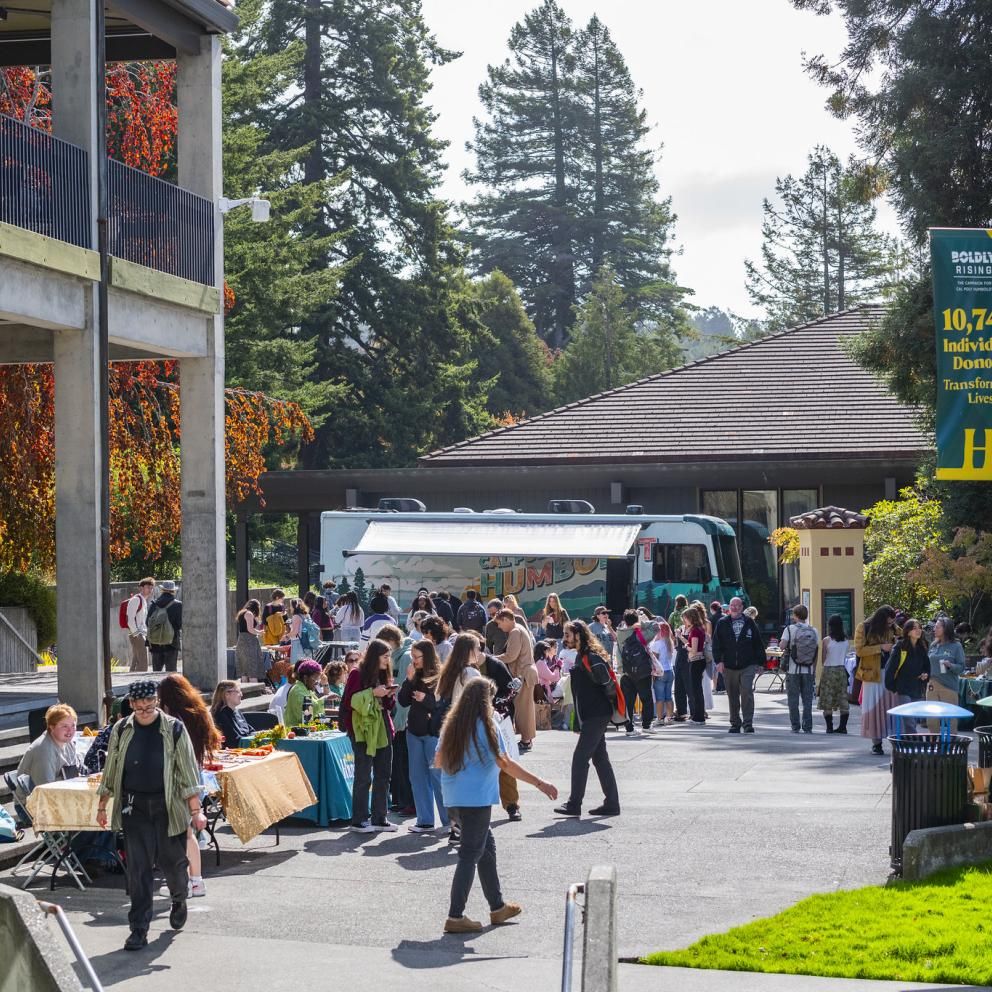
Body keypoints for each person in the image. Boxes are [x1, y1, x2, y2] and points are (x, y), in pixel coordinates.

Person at [437, 678, 557, 933]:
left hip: (453, 797)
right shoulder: (486, 724)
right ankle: (455, 916)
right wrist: (540, 783)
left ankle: (497, 906)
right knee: (470, 854)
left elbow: (438, 760)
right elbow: (505, 763)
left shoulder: (452, 723)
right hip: (476, 799)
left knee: (486, 848)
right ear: (485, 700)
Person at [96, 680, 204, 952]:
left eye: (149, 706)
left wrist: (196, 811)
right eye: (139, 707)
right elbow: (110, 771)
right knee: (138, 871)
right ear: (131, 704)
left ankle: (179, 898)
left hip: (168, 806)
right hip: (135, 808)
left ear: (157, 702)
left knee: (174, 865)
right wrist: (102, 806)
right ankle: (138, 929)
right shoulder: (121, 729)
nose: (144, 711)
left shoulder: (174, 729)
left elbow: (188, 773)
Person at [157, 674, 222, 899]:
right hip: (196, 775)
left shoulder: (170, 720)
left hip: (177, 780)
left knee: (179, 835)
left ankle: (185, 881)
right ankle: (195, 881)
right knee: (187, 833)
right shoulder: (199, 712)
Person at [554, 621, 620, 818]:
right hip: (593, 714)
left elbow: (608, 685)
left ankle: (574, 804)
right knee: (600, 759)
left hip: (597, 713)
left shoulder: (591, 657)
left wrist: (607, 709)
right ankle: (612, 803)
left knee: (580, 758)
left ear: (578, 635)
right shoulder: (583, 657)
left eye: (567, 634)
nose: (564, 639)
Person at [467, 632, 524, 822]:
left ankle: (512, 805)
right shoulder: (462, 668)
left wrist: (499, 708)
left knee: (504, 762)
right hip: (471, 720)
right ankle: (474, 807)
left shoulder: (494, 665)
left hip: (498, 719)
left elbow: (510, 689)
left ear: (478, 648)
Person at [340, 640, 396, 832]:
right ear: (374, 656)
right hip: (362, 731)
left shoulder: (383, 674)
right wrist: (373, 692)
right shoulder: (357, 673)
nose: (388, 660)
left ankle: (380, 818)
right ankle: (359, 819)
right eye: (385, 656)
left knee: (384, 774)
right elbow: (349, 702)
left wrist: (388, 695)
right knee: (363, 775)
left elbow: (390, 707)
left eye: (389, 657)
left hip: (382, 728)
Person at [399, 639, 447, 832]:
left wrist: (425, 699)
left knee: (438, 777)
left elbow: (443, 705)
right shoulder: (414, 675)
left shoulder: (440, 676)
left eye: (416, 656)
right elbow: (402, 701)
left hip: (432, 733)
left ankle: (449, 821)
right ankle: (425, 820)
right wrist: (408, 680)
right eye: (412, 656)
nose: (413, 660)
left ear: (426, 656)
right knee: (417, 777)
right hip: (414, 732)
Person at [377, 623, 416, 814]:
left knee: (405, 762)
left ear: (392, 641)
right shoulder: (397, 656)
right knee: (399, 762)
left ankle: (408, 802)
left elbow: (403, 694)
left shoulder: (406, 657)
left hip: (405, 719)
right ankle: (401, 800)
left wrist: (399, 721)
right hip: (399, 718)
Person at [712, 597, 765, 734]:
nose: (734, 608)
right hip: (728, 666)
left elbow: (758, 643)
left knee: (746, 693)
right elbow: (716, 644)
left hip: (747, 665)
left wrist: (760, 663)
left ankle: (748, 723)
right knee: (732, 696)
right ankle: (735, 723)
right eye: (732, 605)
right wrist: (718, 662)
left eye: (737, 605)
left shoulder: (749, 622)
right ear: (729, 607)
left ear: (742, 607)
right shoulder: (722, 622)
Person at [12, 703, 79, 806]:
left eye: (73, 725)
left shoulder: (68, 743)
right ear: (52, 727)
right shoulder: (44, 750)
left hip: (61, 796)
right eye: (64, 726)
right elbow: (46, 790)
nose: (70, 730)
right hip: (33, 805)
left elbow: (75, 775)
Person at [855, 605, 901, 755]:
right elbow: (859, 650)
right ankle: (876, 742)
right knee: (874, 708)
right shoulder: (864, 627)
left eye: (892, 622)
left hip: (891, 673)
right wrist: (880, 647)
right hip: (872, 674)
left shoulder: (893, 627)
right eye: (888, 622)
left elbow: (905, 637)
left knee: (892, 706)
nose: (890, 625)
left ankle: (895, 739)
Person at [495, 608, 538, 753]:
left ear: (506, 620)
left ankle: (526, 741)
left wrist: (492, 658)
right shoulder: (519, 629)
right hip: (526, 673)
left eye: (500, 623)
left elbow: (511, 656)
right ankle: (527, 739)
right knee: (525, 708)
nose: (499, 627)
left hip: (523, 674)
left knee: (523, 709)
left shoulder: (514, 632)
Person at [779, 604, 820, 734]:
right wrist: (813, 668)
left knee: (793, 699)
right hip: (808, 669)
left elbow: (782, 646)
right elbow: (816, 650)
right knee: (807, 700)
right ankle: (807, 726)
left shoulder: (790, 629)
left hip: (793, 669)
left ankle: (795, 726)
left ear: (795, 616)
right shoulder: (814, 630)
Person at [884, 619, 931, 724]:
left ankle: (908, 739)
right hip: (903, 688)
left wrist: (925, 675)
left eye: (919, 628)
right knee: (908, 720)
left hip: (917, 689)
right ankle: (912, 740)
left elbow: (927, 667)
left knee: (914, 719)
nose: (918, 630)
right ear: (908, 631)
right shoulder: (900, 647)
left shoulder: (922, 648)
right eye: (914, 628)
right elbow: (890, 668)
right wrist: (893, 687)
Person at [618, 610, 656, 734]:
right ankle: (646, 725)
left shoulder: (620, 633)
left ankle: (629, 728)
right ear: (637, 621)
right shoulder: (641, 634)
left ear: (625, 621)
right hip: (642, 672)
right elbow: (656, 626)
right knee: (646, 699)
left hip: (626, 672)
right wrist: (643, 624)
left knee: (628, 701)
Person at [927, 616, 966, 732]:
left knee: (950, 718)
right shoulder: (933, 645)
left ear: (946, 629)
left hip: (949, 687)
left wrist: (951, 666)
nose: (934, 629)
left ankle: (952, 745)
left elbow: (961, 667)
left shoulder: (956, 646)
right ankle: (935, 744)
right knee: (931, 719)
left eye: (937, 627)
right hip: (932, 685)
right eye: (935, 627)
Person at [818, 614, 851, 734]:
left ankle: (829, 727)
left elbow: (823, 660)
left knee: (827, 698)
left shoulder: (826, 640)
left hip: (828, 671)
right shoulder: (846, 641)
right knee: (843, 698)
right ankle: (843, 726)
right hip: (841, 671)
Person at [147, 580, 182, 673]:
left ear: (162, 590)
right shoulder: (178, 605)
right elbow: (179, 625)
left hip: (155, 643)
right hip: (171, 642)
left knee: (156, 673)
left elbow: (148, 622)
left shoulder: (154, 604)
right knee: (171, 674)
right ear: (173, 591)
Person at [682, 606, 708, 725]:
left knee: (696, 690)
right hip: (698, 661)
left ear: (690, 618)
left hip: (696, 661)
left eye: (685, 618)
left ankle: (699, 717)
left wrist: (686, 647)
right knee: (697, 690)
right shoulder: (699, 629)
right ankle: (698, 716)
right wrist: (683, 639)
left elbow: (694, 649)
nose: (684, 621)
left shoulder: (695, 631)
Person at [284, 659, 326, 728]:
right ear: (305, 678)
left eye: (318, 679)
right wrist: (325, 699)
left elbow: (318, 715)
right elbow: (307, 715)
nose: (317, 682)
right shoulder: (298, 691)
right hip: (296, 735)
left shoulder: (307, 690)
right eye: (315, 678)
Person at [668, 595, 690, 720]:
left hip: (679, 643)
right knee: (690, 681)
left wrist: (674, 640)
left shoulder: (674, 614)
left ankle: (681, 710)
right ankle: (694, 709)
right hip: (689, 644)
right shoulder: (690, 610)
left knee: (680, 680)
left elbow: (670, 627)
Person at [210, 681, 253, 747]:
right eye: (238, 691)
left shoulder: (237, 712)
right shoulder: (220, 715)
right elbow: (234, 741)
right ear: (227, 694)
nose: (241, 694)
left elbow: (250, 731)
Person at [125, 578, 154, 672]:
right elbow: (130, 619)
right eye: (147, 587)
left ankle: (131, 681)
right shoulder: (136, 600)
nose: (150, 590)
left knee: (136, 660)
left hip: (140, 634)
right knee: (143, 662)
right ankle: (140, 682)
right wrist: (137, 634)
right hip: (137, 634)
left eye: (151, 587)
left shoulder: (143, 601)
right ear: (141, 588)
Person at [650, 620, 676, 725]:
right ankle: (669, 718)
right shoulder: (670, 642)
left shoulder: (656, 644)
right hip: (670, 671)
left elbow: (655, 661)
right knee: (668, 696)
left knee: (660, 697)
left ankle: (659, 718)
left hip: (660, 672)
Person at [235, 599, 265, 682]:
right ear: (256, 607)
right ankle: (254, 690)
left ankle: (245, 691)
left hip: (242, 641)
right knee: (252, 668)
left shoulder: (243, 613)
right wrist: (260, 632)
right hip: (249, 641)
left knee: (244, 670)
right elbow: (250, 629)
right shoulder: (249, 614)